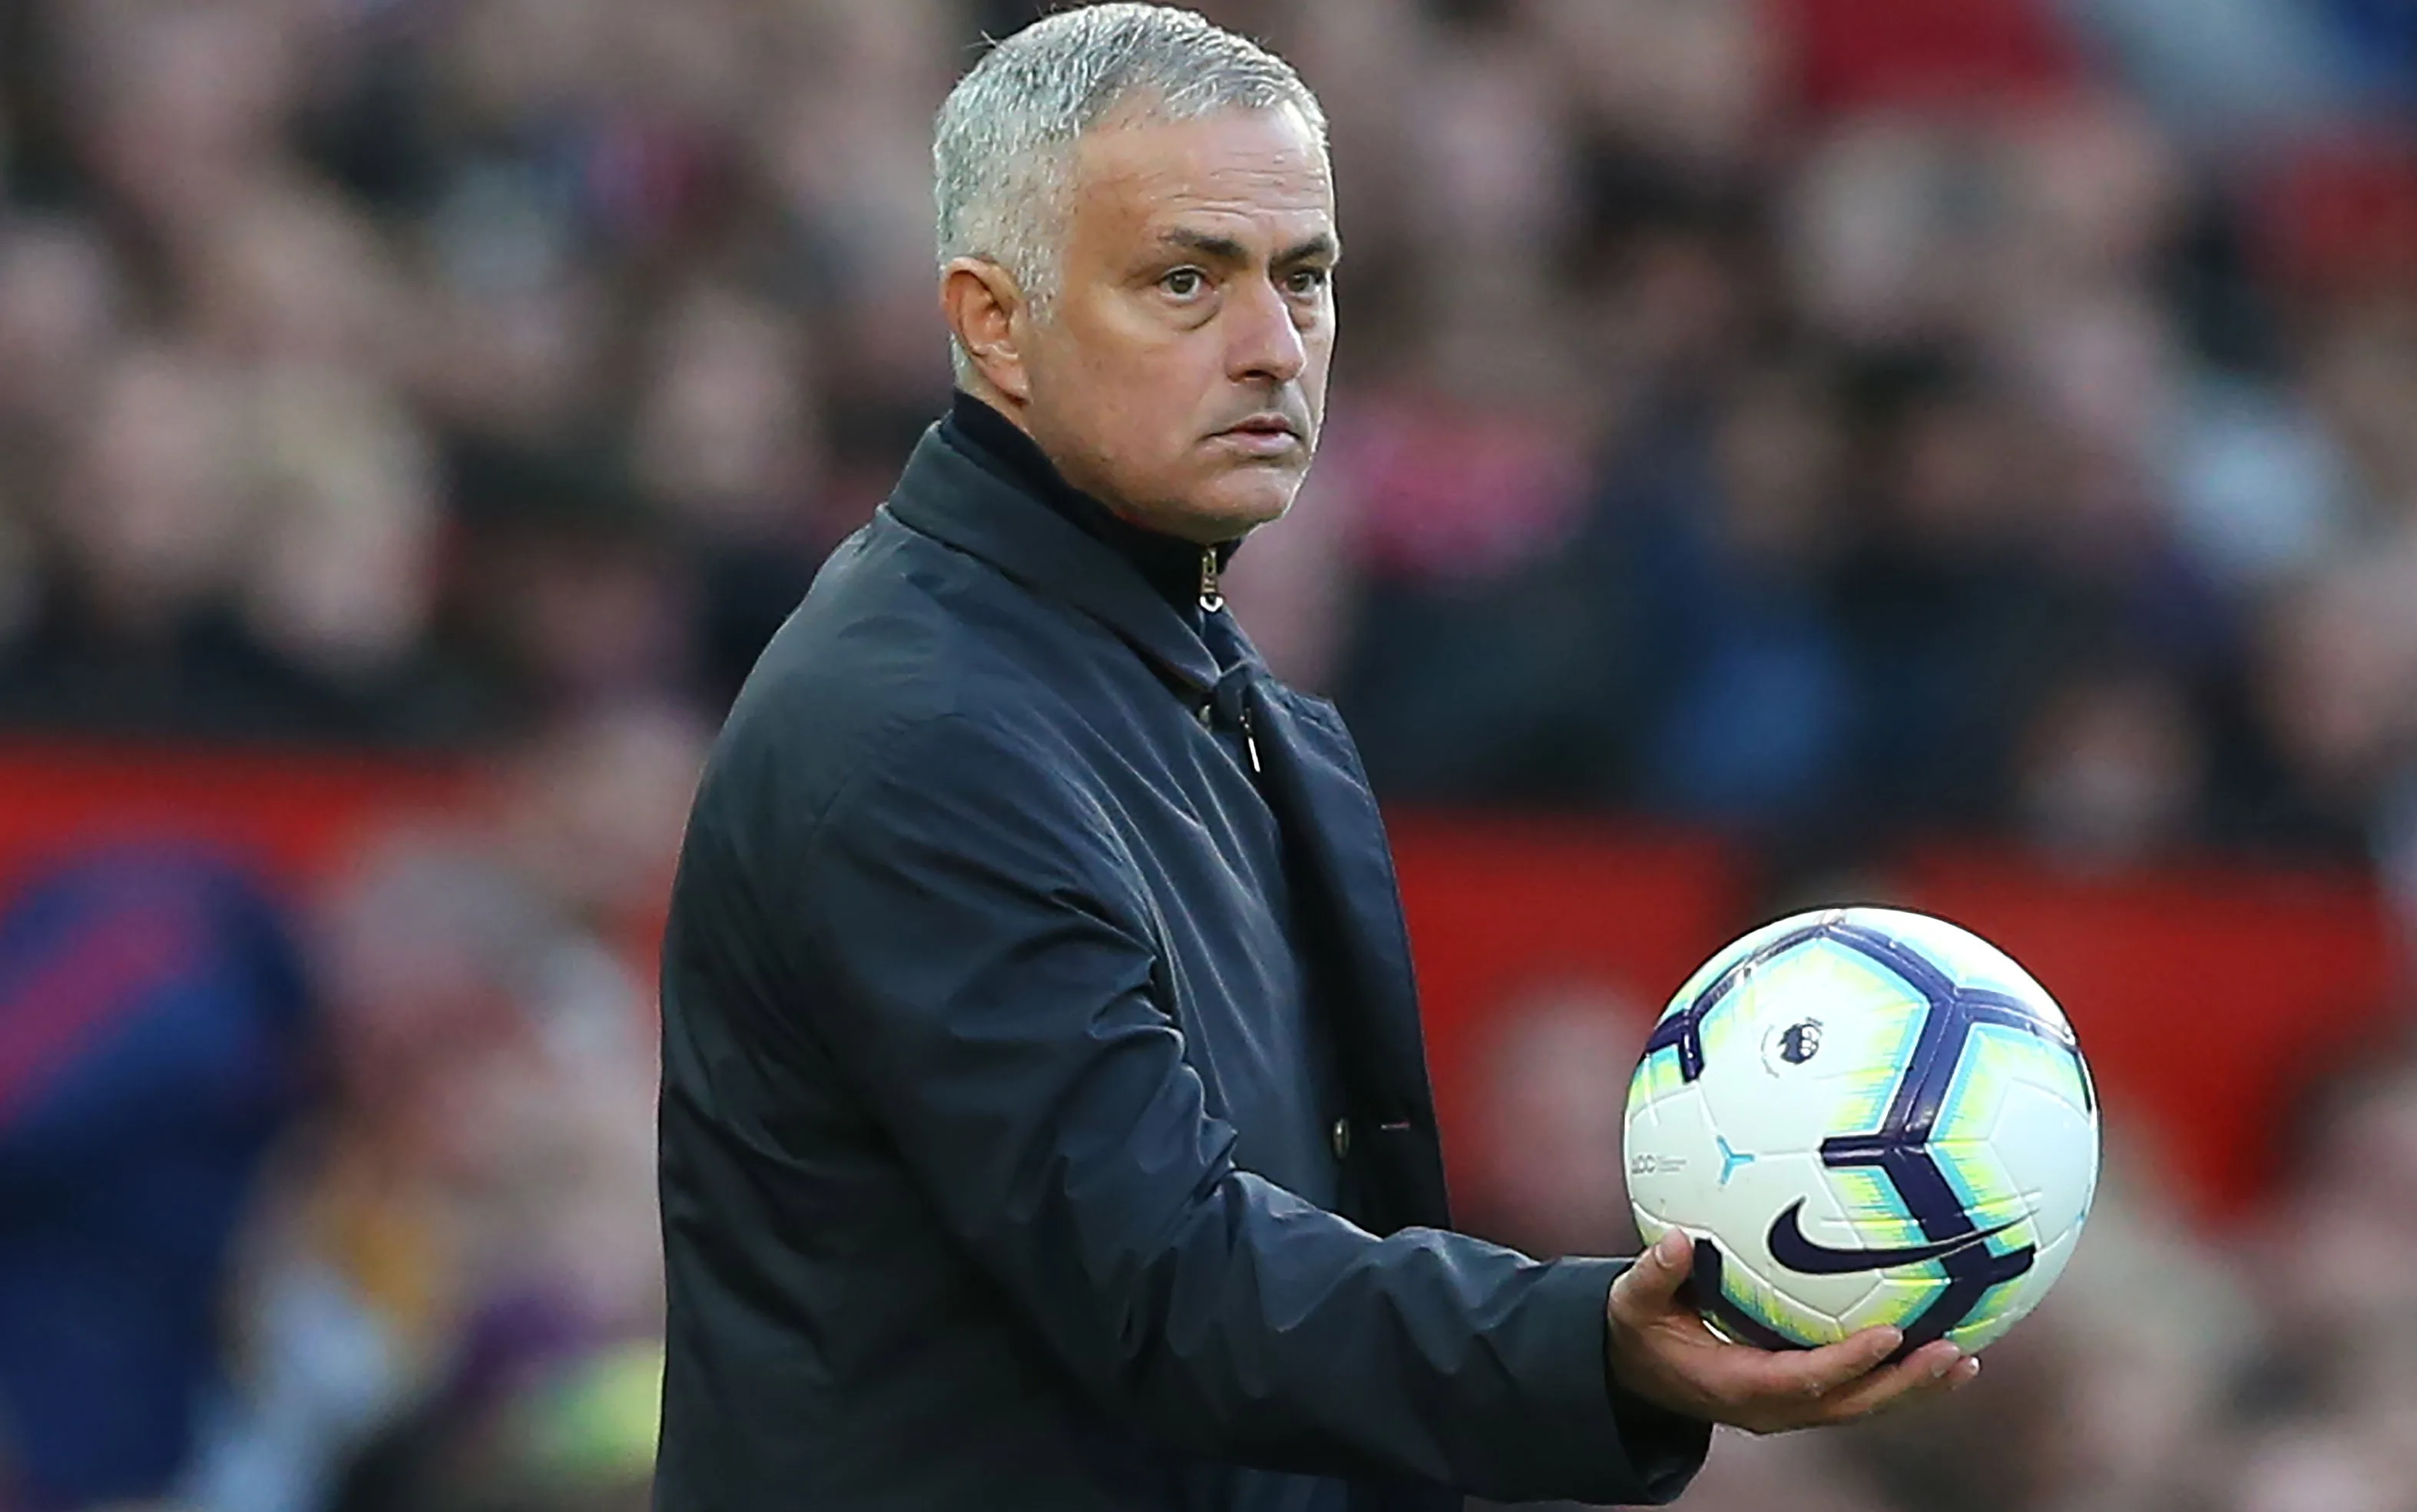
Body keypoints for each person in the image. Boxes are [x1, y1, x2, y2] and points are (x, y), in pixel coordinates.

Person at [653, 8, 1977, 1510]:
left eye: (1305, 279)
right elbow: (1172, 1285)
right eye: (1184, 280)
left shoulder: (1248, 710)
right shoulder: (915, 735)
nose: (1273, 347)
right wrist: (1595, 1349)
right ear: (992, 322)